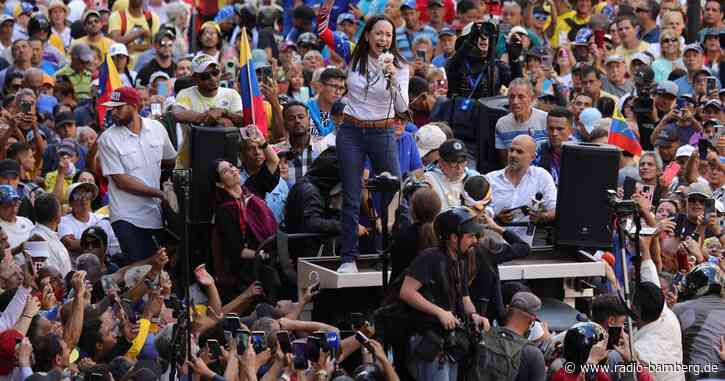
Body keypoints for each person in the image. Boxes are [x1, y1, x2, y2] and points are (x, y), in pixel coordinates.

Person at [318, 0, 409, 273]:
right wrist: (326, 9)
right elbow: (323, 30)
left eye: (388, 35)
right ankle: (349, 257)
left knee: (394, 192)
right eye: (378, 33)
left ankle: (395, 254)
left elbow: (404, 108)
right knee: (351, 192)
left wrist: (392, 80)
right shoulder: (352, 54)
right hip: (352, 131)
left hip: (382, 131)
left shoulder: (401, 67)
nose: (383, 39)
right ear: (367, 35)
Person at [399, 207, 489, 381]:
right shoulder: (430, 257)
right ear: (454, 237)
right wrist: (439, 312)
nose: (475, 241)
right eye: (470, 236)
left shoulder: (460, 260)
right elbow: (406, 292)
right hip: (428, 338)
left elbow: (465, 298)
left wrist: (475, 316)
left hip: (450, 341)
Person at [98, 87, 176, 262]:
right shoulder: (107, 139)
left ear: (134, 106)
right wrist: (160, 193)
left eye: (119, 108)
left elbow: (171, 161)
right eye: (112, 109)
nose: (113, 113)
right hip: (126, 215)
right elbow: (122, 181)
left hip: (154, 214)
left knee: (157, 269)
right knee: (138, 268)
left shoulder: (157, 128)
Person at [171, 54, 244, 169]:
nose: (212, 78)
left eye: (215, 73)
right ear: (195, 78)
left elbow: (242, 120)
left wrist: (223, 112)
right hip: (190, 163)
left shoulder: (231, 94)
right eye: (205, 76)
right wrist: (209, 116)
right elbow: (177, 114)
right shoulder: (186, 94)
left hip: (226, 163)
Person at [487, 135, 557, 243]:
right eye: (511, 150)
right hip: (494, 245)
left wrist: (541, 216)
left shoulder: (541, 176)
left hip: (527, 247)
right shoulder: (490, 179)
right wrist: (497, 218)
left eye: (519, 152)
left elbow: (555, 210)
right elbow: (477, 214)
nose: (513, 155)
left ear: (532, 157)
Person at [495, 78, 548, 164]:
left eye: (521, 96)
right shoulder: (502, 124)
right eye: (512, 97)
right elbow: (506, 162)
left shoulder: (545, 119)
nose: (515, 101)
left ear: (531, 98)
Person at [423, 139, 480, 210]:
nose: (459, 167)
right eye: (454, 163)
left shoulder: (474, 177)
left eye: (462, 162)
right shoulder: (429, 179)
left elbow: (487, 207)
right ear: (441, 162)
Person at [27, 193, 71, 278]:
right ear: (57, 216)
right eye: (60, 209)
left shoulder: (48, 236)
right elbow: (42, 277)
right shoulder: (36, 241)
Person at [534, 106, 573, 185]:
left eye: (560, 129)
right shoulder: (537, 150)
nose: (554, 133)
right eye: (551, 128)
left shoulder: (581, 152)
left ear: (571, 130)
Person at [0, 185, 33, 252]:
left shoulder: (26, 221)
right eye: (7, 206)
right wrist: (19, 248)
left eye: (16, 204)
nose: (13, 210)